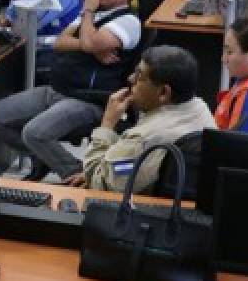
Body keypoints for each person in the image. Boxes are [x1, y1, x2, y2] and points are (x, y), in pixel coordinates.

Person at [0, 0, 143, 183]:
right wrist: (90, 45)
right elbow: (60, 42)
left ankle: (78, 176)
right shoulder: (93, 15)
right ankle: (44, 157)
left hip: (87, 99)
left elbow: (90, 42)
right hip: (57, 89)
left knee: (34, 133)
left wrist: (88, 17)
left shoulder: (128, 21)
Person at [66, 46, 216, 193]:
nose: (130, 79)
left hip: (137, 209)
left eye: (139, 76)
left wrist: (107, 124)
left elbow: (102, 183)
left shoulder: (143, 138)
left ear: (163, 92)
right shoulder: (200, 106)